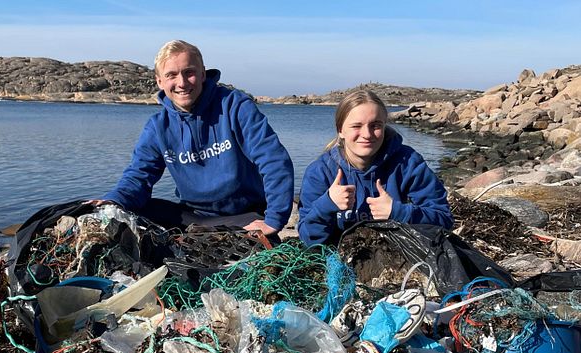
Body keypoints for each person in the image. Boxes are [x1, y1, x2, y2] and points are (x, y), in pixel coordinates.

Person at [90, 40, 294, 236]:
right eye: (172, 75)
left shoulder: (235, 106)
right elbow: (138, 176)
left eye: (189, 73)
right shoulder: (157, 127)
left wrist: (273, 220)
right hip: (195, 217)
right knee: (131, 210)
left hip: (246, 214)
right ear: (160, 81)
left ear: (203, 73)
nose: (182, 83)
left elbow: (273, 160)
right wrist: (113, 201)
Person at [297, 90, 453, 246]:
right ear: (340, 130)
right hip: (341, 257)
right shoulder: (320, 172)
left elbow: (444, 219)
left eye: (375, 125)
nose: (367, 134)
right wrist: (327, 205)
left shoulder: (407, 163)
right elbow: (309, 239)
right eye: (356, 126)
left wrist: (399, 212)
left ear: (384, 126)